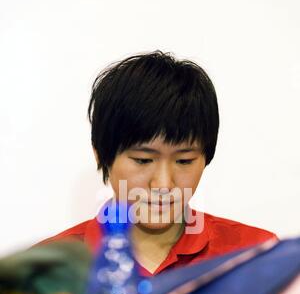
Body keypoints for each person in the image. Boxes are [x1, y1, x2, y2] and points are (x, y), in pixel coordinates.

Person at [35, 51, 277, 276]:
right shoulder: (45, 273)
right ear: (102, 155)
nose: (163, 183)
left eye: (184, 160)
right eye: (143, 160)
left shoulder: (257, 256)